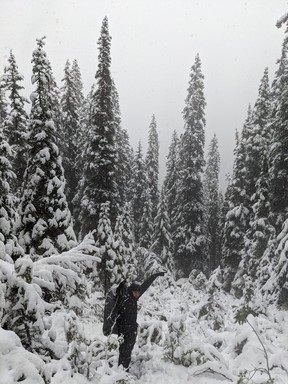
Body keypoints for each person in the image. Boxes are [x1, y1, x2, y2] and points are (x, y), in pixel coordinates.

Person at [115, 272, 165, 371]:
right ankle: (122, 371)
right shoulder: (126, 301)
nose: (137, 294)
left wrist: (155, 275)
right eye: (135, 292)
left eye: (138, 292)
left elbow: (145, 285)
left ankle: (124, 370)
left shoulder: (133, 298)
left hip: (131, 331)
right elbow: (119, 318)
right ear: (131, 291)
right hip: (125, 332)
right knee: (124, 352)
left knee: (127, 352)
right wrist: (125, 330)